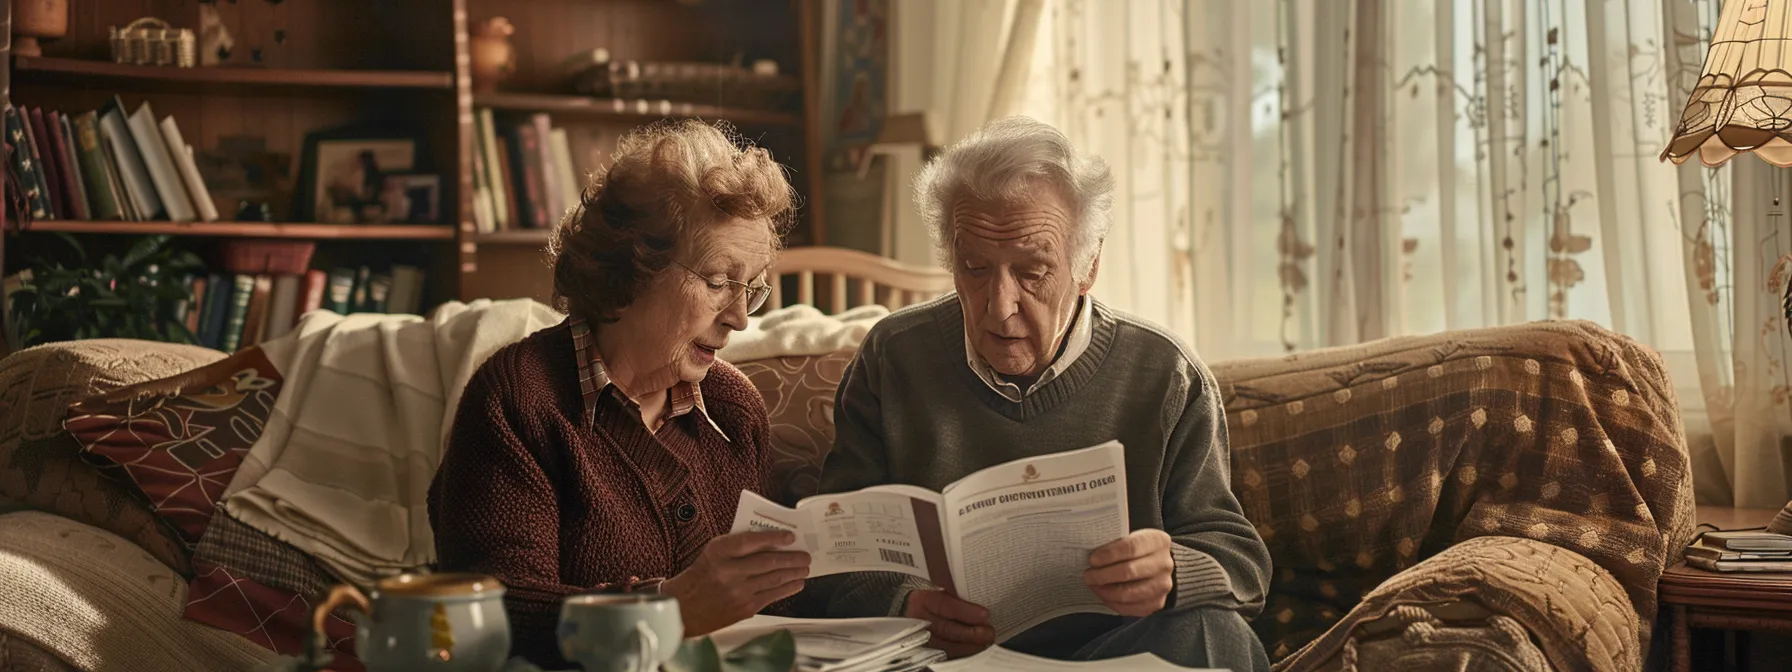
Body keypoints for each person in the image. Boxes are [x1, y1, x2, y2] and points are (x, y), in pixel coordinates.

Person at [809, 116, 1272, 671]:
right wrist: (905, 603)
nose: (999, 305)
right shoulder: (893, 356)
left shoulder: (1164, 373)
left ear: (1088, 264)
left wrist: (1174, 572)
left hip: (1112, 658)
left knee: (1212, 632)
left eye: (1032, 272)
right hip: (946, 662)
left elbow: (1242, 562)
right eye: (974, 268)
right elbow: (834, 552)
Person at [429, 120, 811, 667]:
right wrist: (667, 608)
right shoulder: (518, 399)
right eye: (719, 282)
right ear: (634, 267)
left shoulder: (734, 409)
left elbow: (764, 605)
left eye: (750, 287)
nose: (740, 318)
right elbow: (496, 608)